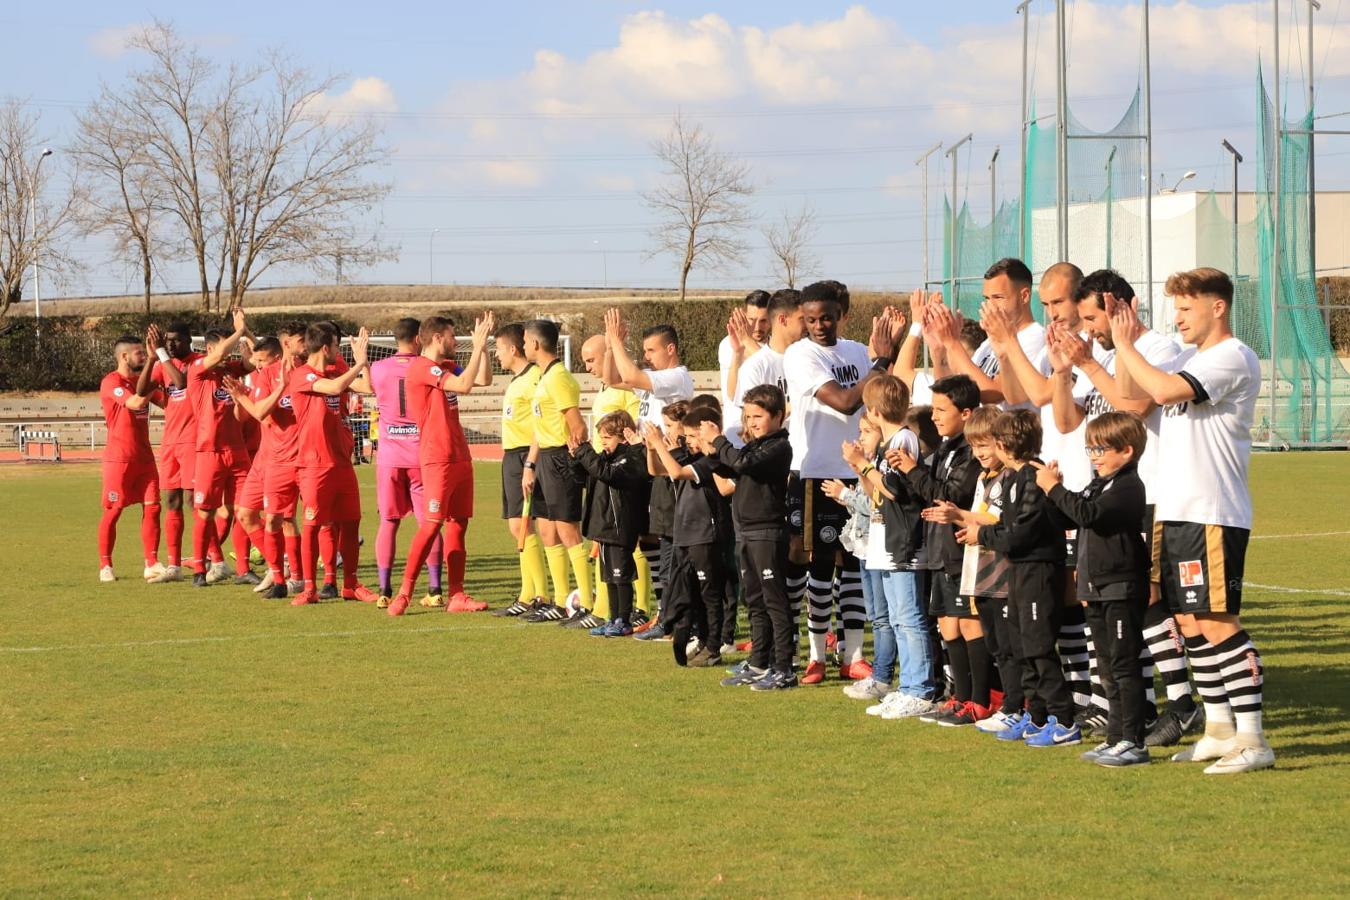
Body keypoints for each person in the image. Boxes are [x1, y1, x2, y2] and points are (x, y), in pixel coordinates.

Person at [1108, 267, 1273, 775]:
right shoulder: (1187, 357)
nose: (1176, 318)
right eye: (1173, 308)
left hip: (1212, 513)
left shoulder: (1231, 356)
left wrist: (1125, 344)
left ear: (1217, 307)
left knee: (1219, 621)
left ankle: (1254, 739)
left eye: (1185, 307)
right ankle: (1219, 729)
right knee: (1188, 621)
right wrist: (1120, 349)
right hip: (1174, 511)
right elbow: (1130, 397)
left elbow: (1159, 391)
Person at [1047, 270, 1196, 746]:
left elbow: (1135, 409)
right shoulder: (1103, 355)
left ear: (1119, 306)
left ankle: (1182, 704)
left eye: (1092, 317)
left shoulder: (1157, 351)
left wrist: (1091, 364)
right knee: (1112, 603)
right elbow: (1069, 422)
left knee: (1148, 599)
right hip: (1105, 498)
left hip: (1145, 495)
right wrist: (1063, 370)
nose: (1086, 327)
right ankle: (1138, 706)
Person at [783, 280, 902, 684]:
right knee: (819, 565)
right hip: (815, 470)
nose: (819, 326)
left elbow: (880, 394)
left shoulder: (855, 352)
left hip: (858, 469)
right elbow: (846, 400)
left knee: (855, 564)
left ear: (842, 315)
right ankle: (817, 655)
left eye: (827, 318)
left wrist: (895, 351)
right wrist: (882, 360)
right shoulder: (799, 355)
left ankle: (852, 655)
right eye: (811, 319)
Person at [956, 409, 1079, 748]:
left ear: (1004, 444)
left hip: (1039, 571)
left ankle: (1064, 720)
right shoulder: (1012, 477)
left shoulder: (1034, 476)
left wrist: (981, 537)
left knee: (1038, 647)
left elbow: (1020, 533)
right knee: (1023, 647)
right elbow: (1009, 529)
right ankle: (1036, 716)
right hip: (1019, 571)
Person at [1036, 411, 1152, 767]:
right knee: (1106, 667)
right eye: (1090, 450)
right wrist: (1049, 493)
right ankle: (1116, 737)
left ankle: (1134, 740)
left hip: (1120, 586)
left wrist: (1053, 489)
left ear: (1127, 451)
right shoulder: (1098, 484)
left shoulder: (1129, 487)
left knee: (1123, 665)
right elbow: (1070, 516)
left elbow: (1089, 515)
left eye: (1101, 449)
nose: (1095, 457)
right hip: (1097, 586)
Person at [386, 314, 494, 616]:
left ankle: (456, 595)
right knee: (431, 526)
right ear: (436, 338)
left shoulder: (443, 366)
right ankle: (405, 593)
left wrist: (482, 348)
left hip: (460, 456)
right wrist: (476, 348)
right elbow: (463, 386)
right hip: (437, 459)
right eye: (452, 335)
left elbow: (482, 379)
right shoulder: (421, 368)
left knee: (458, 524)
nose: (456, 341)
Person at [837, 376, 933, 715]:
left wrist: (862, 464)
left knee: (909, 619)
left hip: (904, 544)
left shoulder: (903, 438)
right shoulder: (891, 441)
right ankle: (907, 685)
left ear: (874, 411)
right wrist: (861, 466)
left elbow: (896, 490)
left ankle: (919, 689)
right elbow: (879, 496)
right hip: (886, 540)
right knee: (897, 619)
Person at [710, 384, 796, 690]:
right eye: (747, 417)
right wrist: (707, 451)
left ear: (777, 416)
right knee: (756, 601)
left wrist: (719, 441)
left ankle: (784, 667)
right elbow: (733, 467)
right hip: (746, 531)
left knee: (775, 601)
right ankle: (760, 663)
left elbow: (742, 464)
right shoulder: (755, 445)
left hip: (767, 532)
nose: (752, 422)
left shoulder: (778, 446)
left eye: (758, 416)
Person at [640, 407, 736, 667]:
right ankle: (703, 641)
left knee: (711, 595)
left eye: (694, 436)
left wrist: (661, 444)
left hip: (705, 535)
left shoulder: (712, 461)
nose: (689, 441)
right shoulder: (691, 456)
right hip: (685, 534)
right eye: (688, 436)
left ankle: (714, 647)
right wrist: (652, 448)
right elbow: (657, 470)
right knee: (693, 595)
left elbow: (676, 473)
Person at [368, 318, 445, 608]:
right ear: (417, 339)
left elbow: (367, 387)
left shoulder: (378, 368)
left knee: (388, 522)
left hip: (389, 458)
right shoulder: (425, 367)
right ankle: (435, 589)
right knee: (429, 522)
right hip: (420, 456)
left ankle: (384, 590)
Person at [519, 318, 592, 622]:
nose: (523, 347)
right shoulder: (545, 377)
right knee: (549, 530)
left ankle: (587, 602)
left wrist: (572, 457)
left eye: (525, 342)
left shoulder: (559, 377)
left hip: (561, 459)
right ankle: (562, 602)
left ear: (535, 344)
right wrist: (532, 463)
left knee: (567, 530)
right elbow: (542, 424)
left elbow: (577, 425)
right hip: (546, 459)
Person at [579, 333, 648, 628]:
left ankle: (640, 608)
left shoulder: (626, 391)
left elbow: (632, 432)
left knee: (630, 552)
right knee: (609, 560)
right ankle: (609, 613)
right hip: (604, 476)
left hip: (621, 479)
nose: (587, 367)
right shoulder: (604, 390)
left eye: (591, 359)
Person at [185, 310, 253, 589]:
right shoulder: (199, 368)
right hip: (209, 451)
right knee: (205, 511)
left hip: (237, 450)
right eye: (225, 345)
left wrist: (246, 331)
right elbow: (219, 354)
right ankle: (200, 569)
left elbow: (253, 359)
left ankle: (244, 569)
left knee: (245, 510)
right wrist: (237, 334)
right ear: (211, 347)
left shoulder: (230, 370)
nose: (230, 351)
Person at [570, 410, 652, 637]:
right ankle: (613, 618)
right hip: (605, 527)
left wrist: (585, 452)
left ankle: (623, 620)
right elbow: (587, 477)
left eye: (607, 438)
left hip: (619, 527)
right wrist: (576, 458)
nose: (602, 443)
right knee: (609, 578)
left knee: (621, 576)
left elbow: (606, 473)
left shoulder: (630, 458)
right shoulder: (607, 459)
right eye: (601, 438)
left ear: (623, 436)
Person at [493, 322, 551, 618]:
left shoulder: (534, 378)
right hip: (511, 457)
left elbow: (542, 423)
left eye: (499, 349)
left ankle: (540, 595)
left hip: (526, 457)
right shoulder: (517, 379)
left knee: (528, 524)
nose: (496, 355)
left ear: (513, 349)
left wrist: (530, 461)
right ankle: (528, 593)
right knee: (518, 526)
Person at [98, 330, 166, 582]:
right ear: (124, 356)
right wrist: (152, 379)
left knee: (153, 508)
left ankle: (151, 563)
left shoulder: (141, 381)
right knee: (114, 510)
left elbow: (167, 403)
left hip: (145, 459)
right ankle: (105, 566)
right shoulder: (111, 382)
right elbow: (136, 403)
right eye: (139, 352)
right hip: (120, 459)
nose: (142, 356)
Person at [932, 258, 1047, 406]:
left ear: (1024, 296)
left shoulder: (1035, 338)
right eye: (987, 298)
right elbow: (958, 387)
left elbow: (995, 394)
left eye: (998, 297)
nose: (990, 305)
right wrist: (939, 347)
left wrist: (953, 343)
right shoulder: (988, 342)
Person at [223, 336, 284, 591]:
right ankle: (277, 567)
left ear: (277, 358)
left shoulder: (287, 379)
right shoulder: (261, 378)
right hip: (262, 458)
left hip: (284, 458)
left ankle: (291, 572)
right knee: (245, 513)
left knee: (280, 520)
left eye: (262, 360)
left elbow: (262, 412)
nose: (257, 366)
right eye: (255, 361)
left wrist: (244, 397)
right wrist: (239, 399)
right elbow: (244, 416)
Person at [147, 321, 198, 582]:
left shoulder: (196, 362)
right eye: (166, 340)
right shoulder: (161, 363)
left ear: (189, 340)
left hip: (192, 442)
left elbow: (181, 382)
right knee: (172, 502)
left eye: (176, 340)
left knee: (195, 503)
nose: (170, 344)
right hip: (170, 443)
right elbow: (141, 390)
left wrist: (161, 355)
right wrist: (149, 359)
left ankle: (207, 560)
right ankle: (174, 565)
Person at [719, 290, 771, 445]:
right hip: (737, 433)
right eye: (752, 320)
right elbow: (733, 393)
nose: (757, 327)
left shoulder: (774, 346)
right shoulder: (729, 343)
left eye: (763, 321)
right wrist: (746, 343)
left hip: (767, 434)